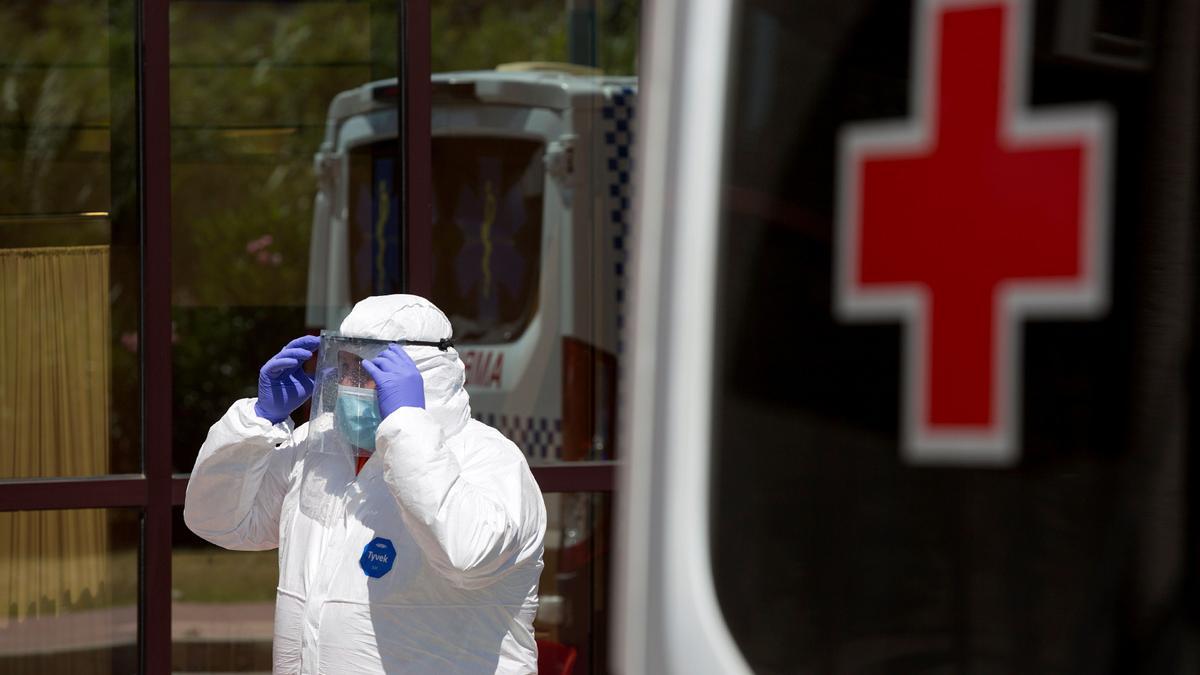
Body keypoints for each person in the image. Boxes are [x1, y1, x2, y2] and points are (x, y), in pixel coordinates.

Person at [184, 294, 547, 674]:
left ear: (420, 374)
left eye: (366, 369)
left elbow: (468, 557)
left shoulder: (488, 458)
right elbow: (219, 521)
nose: (346, 383)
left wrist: (405, 426)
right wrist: (256, 423)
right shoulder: (319, 450)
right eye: (342, 365)